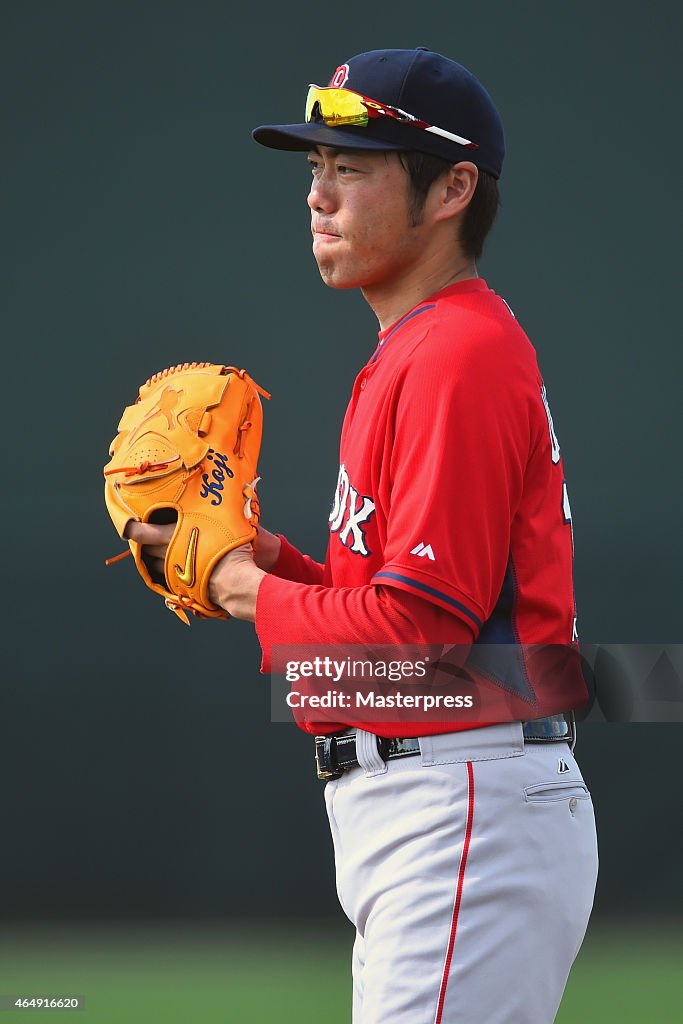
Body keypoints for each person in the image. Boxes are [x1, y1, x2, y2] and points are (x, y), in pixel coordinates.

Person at [129, 47, 598, 1024]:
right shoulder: (417, 347)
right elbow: (397, 626)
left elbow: (418, 639)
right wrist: (271, 563)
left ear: (450, 188)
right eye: (313, 168)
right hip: (436, 802)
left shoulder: (455, 353)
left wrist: (240, 585)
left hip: (461, 797)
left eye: (353, 166)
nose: (318, 194)